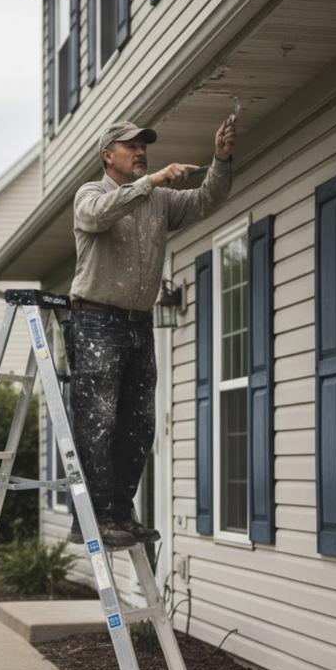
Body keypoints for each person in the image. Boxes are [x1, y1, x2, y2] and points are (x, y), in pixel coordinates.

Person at [67, 118, 238, 547]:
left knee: (139, 425)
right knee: (98, 421)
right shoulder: (91, 194)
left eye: (144, 145)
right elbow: (96, 217)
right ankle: (92, 518)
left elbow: (206, 200)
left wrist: (220, 158)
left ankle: (121, 514)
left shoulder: (159, 200)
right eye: (131, 146)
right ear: (108, 155)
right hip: (96, 321)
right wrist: (153, 181)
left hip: (138, 325)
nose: (141, 151)